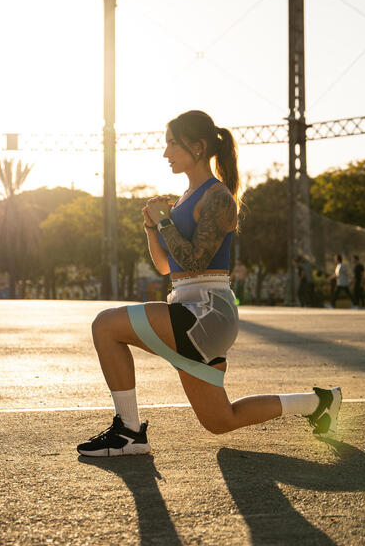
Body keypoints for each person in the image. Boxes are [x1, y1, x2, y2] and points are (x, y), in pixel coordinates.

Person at [77, 110, 341, 456]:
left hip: (206, 311)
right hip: (191, 308)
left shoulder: (217, 197)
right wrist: (151, 227)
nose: (166, 152)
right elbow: (164, 266)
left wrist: (166, 221)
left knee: (106, 326)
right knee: (220, 420)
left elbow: (195, 261)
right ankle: (318, 403)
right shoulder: (185, 197)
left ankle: (128, 432)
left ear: (198, 147)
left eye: (172, 143)